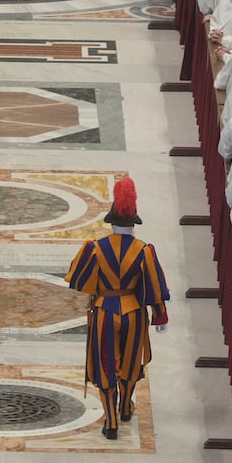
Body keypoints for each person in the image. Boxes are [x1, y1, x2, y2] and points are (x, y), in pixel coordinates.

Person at [67, 178, 171, 439]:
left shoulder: (95, 248)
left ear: (111, 222)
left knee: (105, 366)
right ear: (133, 224)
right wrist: (160, 314)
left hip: (104, 311)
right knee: (130, 361)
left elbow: (80, 280)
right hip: (134, 312)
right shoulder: (144, 250)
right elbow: (154, 285)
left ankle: (110, 422)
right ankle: (125, 406)